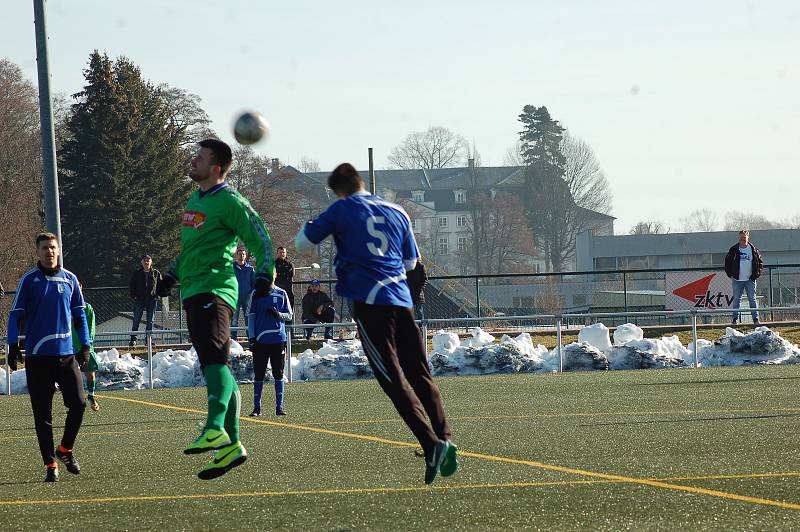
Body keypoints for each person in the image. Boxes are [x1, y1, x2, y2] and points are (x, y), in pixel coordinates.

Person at [295, 163, 458, 485]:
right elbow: (412, 262)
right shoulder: (397, 210)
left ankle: (431, 444)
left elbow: (303, 242)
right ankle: (445, 436)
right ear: (362, 183)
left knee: (392, 379)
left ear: (337, 190)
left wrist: (319, 223)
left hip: (369, 303)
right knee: (420, 374)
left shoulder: (341, 208)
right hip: (400, 300)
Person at [156, 138, 274, 480]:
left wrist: (266, 273)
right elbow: (193, 244)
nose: (193, 161)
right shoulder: (196, 198)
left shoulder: (230, 200)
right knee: (216, 365)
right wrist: (172, 274)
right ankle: (232, 446)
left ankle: (214, 427)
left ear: (216, 168)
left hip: (215, 289)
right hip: (193, 289)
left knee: (213, 361)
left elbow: (260, 236)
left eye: (200, 157)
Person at [7, 233, 91, 482]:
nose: (49, 252)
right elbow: (15, 316)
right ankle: (50, 464)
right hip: (38, 359)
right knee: (42, 414)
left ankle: (65, 450)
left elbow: (80, 315)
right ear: (38, 252)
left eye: (52, 248)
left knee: (78, 403)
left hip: (66, 357)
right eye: (44, 248)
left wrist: (85, 344)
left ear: (58, 250)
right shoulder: (29, 280)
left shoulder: (70, 279)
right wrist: (12, 346)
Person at [247, 283, 292, 416]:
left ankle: (279, 407)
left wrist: (278, 314)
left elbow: (289, 315)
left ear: (275, 275)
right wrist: (252, 338)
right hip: (261, 341)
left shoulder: (282, 293)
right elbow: (250, 317)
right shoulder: (256, 293)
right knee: (259, 374)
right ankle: (257, 408)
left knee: (278, 373)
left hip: (278, 339)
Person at [724, 229, 763, 326]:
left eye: (744, 237)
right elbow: (727, 263)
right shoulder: (733, 249)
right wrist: (730, 274)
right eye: (741, 237)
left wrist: (756, 274)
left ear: (748, 237)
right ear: (739, 238)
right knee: (737, 299)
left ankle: (755, 319)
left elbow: (760, 263)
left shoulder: (753, 249)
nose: (742, 239)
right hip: (737, 280)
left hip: (750, 280)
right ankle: (735, 319)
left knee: (752, 299)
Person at [73, 282, 100, 412]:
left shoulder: (87, 307)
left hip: (85, 347)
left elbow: (92, 325)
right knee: (73, 375)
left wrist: (88, 342)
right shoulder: (66, 306)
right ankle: (75, 401)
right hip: (70, 347)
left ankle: (91, 395)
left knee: (90, 374)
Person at [128, 254, 162, 346]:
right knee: (136, 319)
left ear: (151, 262)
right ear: (141, 262)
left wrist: (157, 295)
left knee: (150, 320)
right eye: (144, 260)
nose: (146, 262)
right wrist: (134, 295)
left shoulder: (156, 273)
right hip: (140, 299)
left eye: (148, 260)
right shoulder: (137, 273)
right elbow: (132, 285)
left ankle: (148, 340)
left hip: (152, 300)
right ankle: (133, 339)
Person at [232, 248, 255, 338]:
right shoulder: (232, 268)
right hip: (235, 298)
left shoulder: (250, 269)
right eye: (240, 254)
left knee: (248, 319)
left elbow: (253, 284)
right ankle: (233, 340)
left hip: (247, 298)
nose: (241, 256)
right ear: (236, 256)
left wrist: (251, 295)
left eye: (243, 254)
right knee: (234, 320)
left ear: (245, 256)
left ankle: (250, 339)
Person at [274, 246, 295, 312]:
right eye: (280, 252)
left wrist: (280, 274)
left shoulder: (290, 264)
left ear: (286, 253)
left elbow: (291, 274)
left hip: (288, 291)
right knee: (277, 310)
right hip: (277, 291)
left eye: (283, 252)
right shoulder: (274, 264)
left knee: (289, 310)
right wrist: (282, 274)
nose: (282, 254)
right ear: (277, 253)